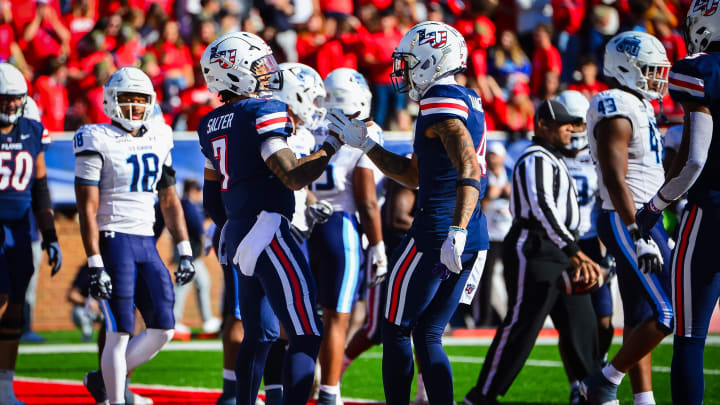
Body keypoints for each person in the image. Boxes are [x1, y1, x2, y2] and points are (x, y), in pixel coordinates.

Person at [328, 21, 489, 404]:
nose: (403, 69)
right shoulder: (466, 98)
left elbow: (469, 166)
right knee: (428, 333)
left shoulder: (438, 99)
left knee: (395, 328)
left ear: (433, 60)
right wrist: (368, 145)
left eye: (410, 61)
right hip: (470, 233)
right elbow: (414, 175)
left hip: (439, 231)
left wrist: (456, 228)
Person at [197, 31, 338, 405]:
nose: (268, 71)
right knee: (307, 332)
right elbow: (291, 175)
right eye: (259, 65)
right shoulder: (264, 112)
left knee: (259, 336)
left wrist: (230, 228)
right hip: (271, 228)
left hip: (240, 232)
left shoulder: (211, 122)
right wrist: (331, 145)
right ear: (233, 71)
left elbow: (212, 195)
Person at [464, 99, 603, 405]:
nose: (571, 131)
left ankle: (596, 393)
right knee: (522, 325)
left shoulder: (554, 158)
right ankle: (481, 396)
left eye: (574, 125)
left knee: (582, 325)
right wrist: (574, 250)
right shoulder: (534, 158)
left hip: (560, 248)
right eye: (564, 125)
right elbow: (542, 209)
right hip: (535, 247)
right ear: (543, 125)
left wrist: (571, 249)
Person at [74, 66, 196, 405]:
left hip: (146, 240)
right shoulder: (95, 137)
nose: (133, 106)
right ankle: (114, 399)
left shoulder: (160, 136)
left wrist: (184, 247)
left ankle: (102, 379)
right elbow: (87, 207)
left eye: (140, 99)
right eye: (126, 98)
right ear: (110, 100)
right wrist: (94, 261)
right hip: (114, 238)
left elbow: (169, 199)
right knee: (120, 330)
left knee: (163, 328)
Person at [634, 3, 720, 403]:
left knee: (689, 336)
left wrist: (656, 205)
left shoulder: (700, 69)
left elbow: (696, 160)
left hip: (710, 213)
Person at [581, 31, 673, 405]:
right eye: (650, 70)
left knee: (638, 317)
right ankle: (604, 380)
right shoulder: (614, 103)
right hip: (629, 217)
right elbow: (614, 176)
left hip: (643, 216)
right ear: (626, 67)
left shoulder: (638, 104)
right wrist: (637, 230)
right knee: (667, 312)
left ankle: (642, 399)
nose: (657, 78)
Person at [307, 67, 386, 405]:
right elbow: (367, 200)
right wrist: (379, 244)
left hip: (305, 225)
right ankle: (329, 393)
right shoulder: (366, 131)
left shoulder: (310, 128)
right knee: (338, 318)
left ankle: (288, 385)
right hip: (342, 228)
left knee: (304, 316)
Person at [0, 62, 62, 405]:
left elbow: (40, 187)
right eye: (5, 98)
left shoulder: (32, 130)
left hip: (21, 231)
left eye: (15, 98)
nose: (11, 104)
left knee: (15, 310)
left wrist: (51, 234)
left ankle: (4, 389)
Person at [555, 90, 615, 404]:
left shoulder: (596, 153)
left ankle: (599, 368)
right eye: (571, 122)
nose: (577, 128)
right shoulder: (548, 154)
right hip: (563, 243)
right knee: (570, 324)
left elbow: (607, 200)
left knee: (604, 321)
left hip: (592, 242)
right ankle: (575, 384)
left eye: (580, 122)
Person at [156, 178, 221, 335]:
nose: (200, 194)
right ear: (192, 190)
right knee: (183, 287)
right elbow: (200, 231)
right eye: (198, 190)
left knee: (199, 284)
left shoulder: (188, 206)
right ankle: (173, 320)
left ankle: (205, 320)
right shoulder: (189, 206)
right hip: (189, 255)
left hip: (189, 255)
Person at [67, 264, 104, 342]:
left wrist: (102, 304)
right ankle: (87, 336)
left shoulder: (112, 266)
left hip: (105, 309)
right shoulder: (86, 269)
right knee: (80, 313)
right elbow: (72, 295)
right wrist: (88, 302)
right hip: (89, 310)